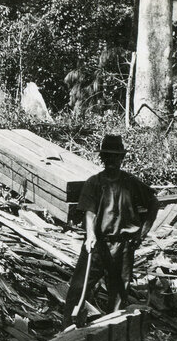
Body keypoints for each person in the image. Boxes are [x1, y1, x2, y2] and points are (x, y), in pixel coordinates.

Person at [64, 134, 158, 324]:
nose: (111, 161)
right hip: (97, 245)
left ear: (122, 158)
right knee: (78, 288)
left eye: (115, 157)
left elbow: (153, 203)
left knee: (117, 296)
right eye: (107, 156)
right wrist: (90, 236)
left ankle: (110, 337)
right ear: (102, 158)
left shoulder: (131, 183)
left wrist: (143, 232)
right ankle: (66, 330)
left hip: (122, 248)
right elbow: (89, 212)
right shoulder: (94, 183)